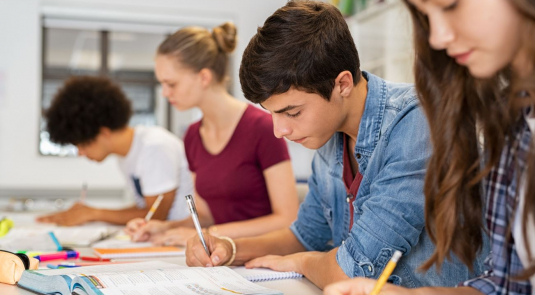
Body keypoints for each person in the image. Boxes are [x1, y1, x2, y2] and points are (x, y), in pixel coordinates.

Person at [185, 0, 487, 290]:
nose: (280, 130)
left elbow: (352, 271)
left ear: (342, 84)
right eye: (273, 114)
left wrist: (304, 263)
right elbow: (306, 235)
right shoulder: (331, 136)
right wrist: (230, 248)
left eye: (292, 112)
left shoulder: (416, 123)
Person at [324, 0, 535, 294]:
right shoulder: (512, 125)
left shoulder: (411, 120)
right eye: (425, 15)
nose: (436, 37)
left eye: (450, 6)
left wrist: (302, 262)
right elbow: (507, 283)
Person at [125, 22, 299, 246]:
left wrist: (211, 234)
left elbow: (287, 219)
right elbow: (206, 217)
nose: (165, 93)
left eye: (171, 84)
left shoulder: (264, 128)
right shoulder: (192, 136)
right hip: (221, 258)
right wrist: (164, 227)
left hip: (264, 257)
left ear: (203, 77)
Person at [37, 76, 193, 226]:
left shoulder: (155, 146)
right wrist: (89, 213)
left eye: (82, 145)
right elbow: (145, 208)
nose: (80, 153)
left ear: (104, 133)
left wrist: (94, 213)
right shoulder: (126, 156)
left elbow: (156, 215)